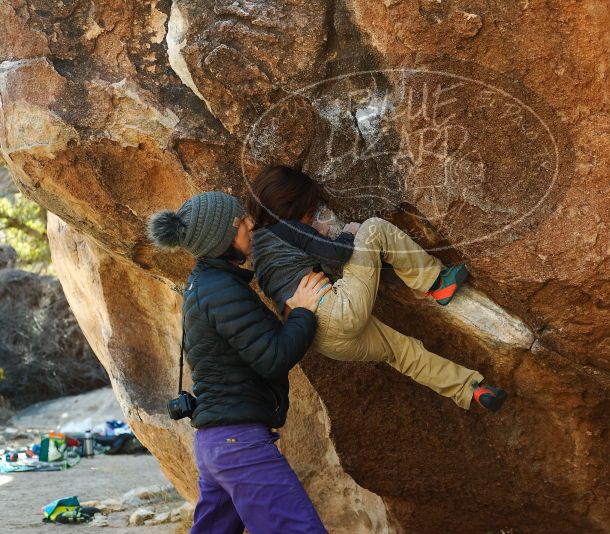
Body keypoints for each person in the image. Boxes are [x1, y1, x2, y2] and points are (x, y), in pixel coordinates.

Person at [247, 165, 507, 412]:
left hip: (322, 340)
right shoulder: (283, 226)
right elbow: (339, 255)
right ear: (291, 206)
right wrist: (348, 234)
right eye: (311, 211)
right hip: (336, 310)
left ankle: (472, 390)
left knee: (400, 352)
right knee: (373, 229)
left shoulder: (259, 250)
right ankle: (436, 283)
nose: (312, 217)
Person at [147, 191, 331, 534]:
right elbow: (273, 357)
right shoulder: (221, 289)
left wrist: (291, 315)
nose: (249, 224)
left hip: (217, 444)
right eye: (239, 221)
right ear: (221, 238)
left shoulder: (208, 285)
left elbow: (253, 345)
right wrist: (304, 311)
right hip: (239, 445)